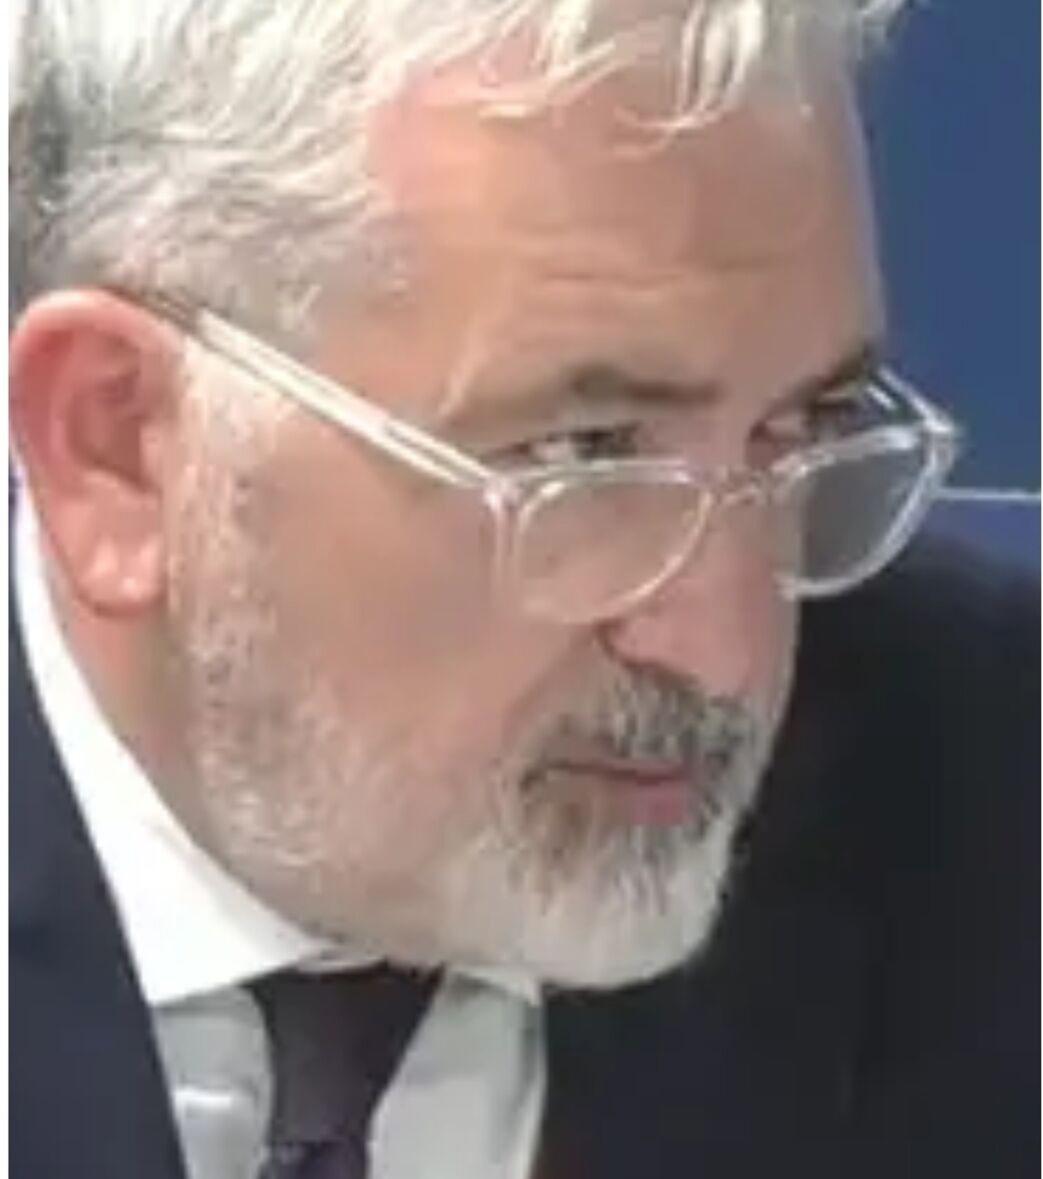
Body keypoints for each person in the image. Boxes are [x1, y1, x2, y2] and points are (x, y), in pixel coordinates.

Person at [8, 2, 1037, 1177]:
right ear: (121, 447)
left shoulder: (998, 809)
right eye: (583, 459)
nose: (727, 650)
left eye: (801, 431)